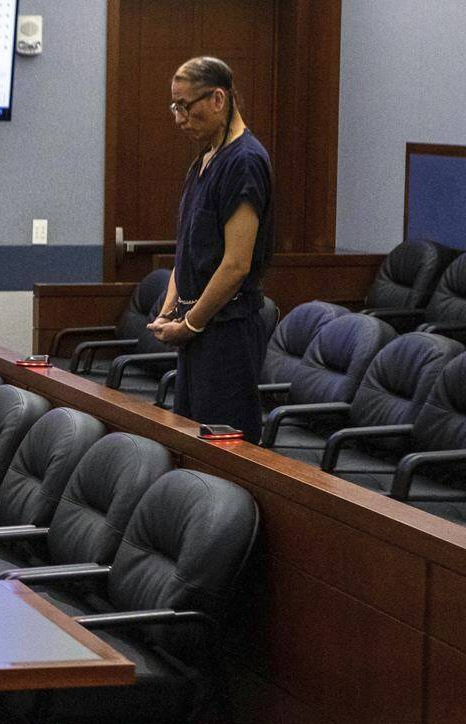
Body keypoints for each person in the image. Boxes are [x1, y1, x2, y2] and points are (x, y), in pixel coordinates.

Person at [147, 56, 274, 442]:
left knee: (221, 453)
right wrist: (170, 310)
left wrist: (190, 324)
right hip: (198, 332)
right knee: (188, 444)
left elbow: (236, 265)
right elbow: (186, 249)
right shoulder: (204, 160)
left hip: (226, 334)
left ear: (218, 99)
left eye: (185, 106)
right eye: (174, 106)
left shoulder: (245, 162)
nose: (179, 118)